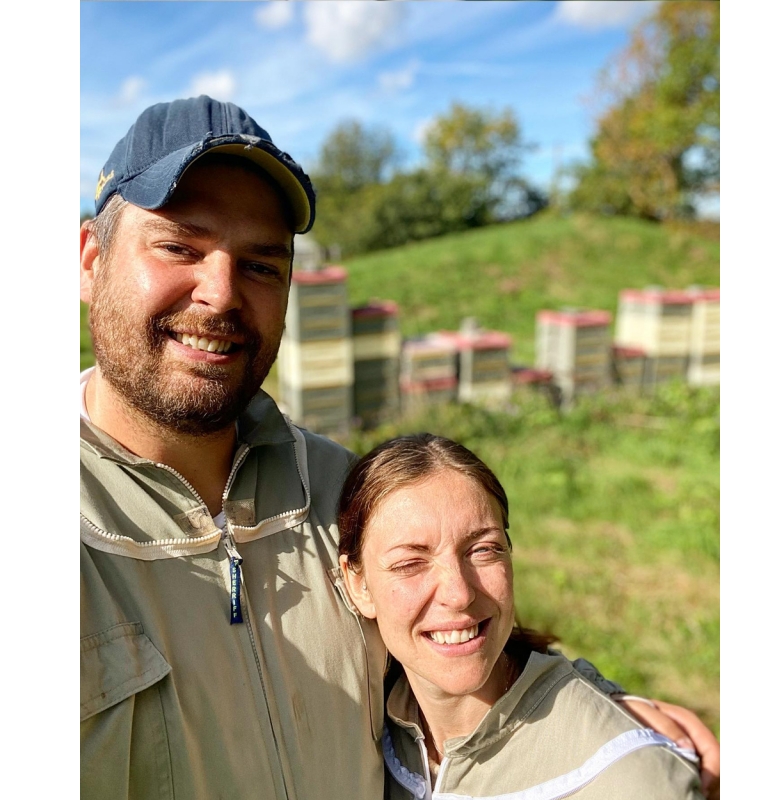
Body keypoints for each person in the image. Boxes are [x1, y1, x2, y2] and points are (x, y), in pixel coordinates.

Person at [80, 95, 719, 799]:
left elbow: (457, 633)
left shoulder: (333, 488)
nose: (222, 293)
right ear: (90, 261)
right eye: (179, 247)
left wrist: (596, 715)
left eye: (261, 265)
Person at [338, 433, 715, 799]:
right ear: (358, 585)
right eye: (410, 563)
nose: (459, 594)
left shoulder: (631, 781)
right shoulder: (363, 745)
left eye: (483, 550)